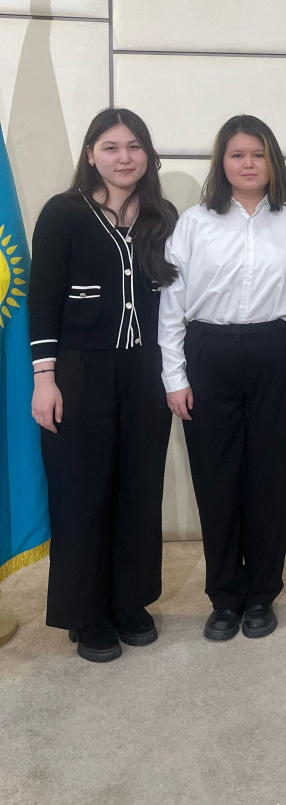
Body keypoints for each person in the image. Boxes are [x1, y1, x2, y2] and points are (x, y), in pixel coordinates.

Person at [159, 115, 286, 642]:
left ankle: (262, 595)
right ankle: (225, 596)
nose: (248, 163)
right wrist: (175, 376)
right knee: (217, 479)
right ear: (221, 162)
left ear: (272, 161)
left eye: (258, 153)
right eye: (237, 154)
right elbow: (172, 305)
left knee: (272, 480)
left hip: (279, 352)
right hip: (210, 354)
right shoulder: (194, 223)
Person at [29, 108, 177, 662]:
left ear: (147, 154)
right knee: (81, 491)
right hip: (78, 371)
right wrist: (45, 379)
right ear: (91, 154)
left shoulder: (162, 216)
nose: (124, 157)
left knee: (139, 486)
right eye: (111, 147)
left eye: (134, 146)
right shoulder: (63, 213)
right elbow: (42, 301)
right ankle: (85, 612)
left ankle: (129, 601)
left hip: (145, 372)